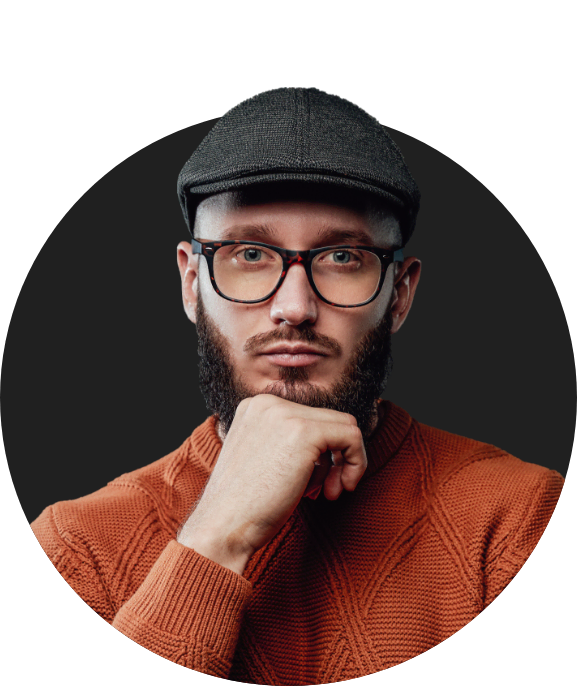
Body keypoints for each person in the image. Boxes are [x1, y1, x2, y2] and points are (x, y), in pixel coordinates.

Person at [30, 87, 565, 681]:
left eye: (343, 258)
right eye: (248, 253)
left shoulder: (516, 519)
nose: (294, 307)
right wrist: (216, 537)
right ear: (191, 283)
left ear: (400, 295)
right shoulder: (76, 547)